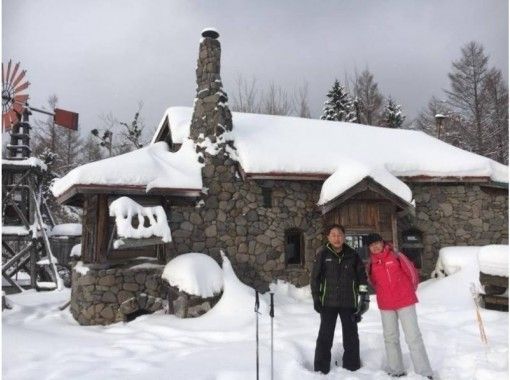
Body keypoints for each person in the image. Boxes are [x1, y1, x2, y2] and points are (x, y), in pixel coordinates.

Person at [366, 233, 433, 379]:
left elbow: (412, 274)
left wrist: (408, 291)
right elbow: (373, 282)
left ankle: (424, 373)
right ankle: (396, 370)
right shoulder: (371, 264)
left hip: (405, 302)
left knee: (413, 337)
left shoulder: (397, 256)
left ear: (382, 243)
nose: (375, 247)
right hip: (386, 305)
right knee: (390, 337)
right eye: (371, 245)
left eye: (377, 243)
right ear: (369, 248)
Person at [311, 224, 369, 373]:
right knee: (325, 335)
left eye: (339, 235)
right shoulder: (323, 254)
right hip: (328, 303)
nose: (337, 238)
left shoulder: (353, 255)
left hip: (348, 302)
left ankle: (352, 366)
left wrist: (364, 298)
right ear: (328, 237)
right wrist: (316, 297)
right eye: (333, 235)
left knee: (351, 336)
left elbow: (362, 278)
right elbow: (315, 278)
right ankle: (321, 368)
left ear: (344, 237)